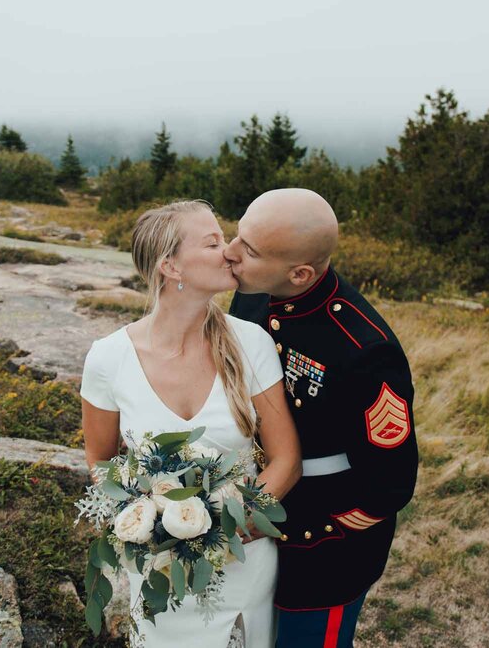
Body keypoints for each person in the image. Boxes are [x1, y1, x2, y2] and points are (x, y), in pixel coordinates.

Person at [80, 200, 303, 648]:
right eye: (214, 242)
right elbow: (100, 461)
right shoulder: (108, 357)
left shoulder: (251, 343)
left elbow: (287, 459)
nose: (231, 251)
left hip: (243, 563)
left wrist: (234, 520)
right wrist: (145, 519)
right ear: (170, 266)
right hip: (158, 571)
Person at [224, 188, 419, 648]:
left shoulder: (365, 351)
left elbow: (390, 485)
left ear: (300, 273)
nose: (229, 253)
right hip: (253, 502)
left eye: (248, 250)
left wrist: (302, 530)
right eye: (238, 235)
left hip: (319, 547)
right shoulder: (255, 294)